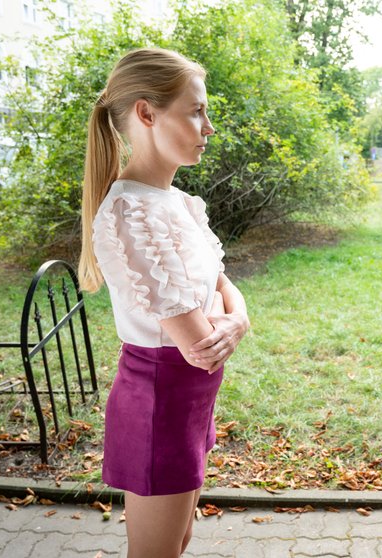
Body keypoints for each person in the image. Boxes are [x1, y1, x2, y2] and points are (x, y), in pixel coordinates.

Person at [78, 48, 249, 558]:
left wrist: (238, 319)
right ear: (146, 114)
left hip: (189, 401)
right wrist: (229, 322)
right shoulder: (131, 214)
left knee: (178, 540)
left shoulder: (175, 202)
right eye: (196, 111)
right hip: (161, 403)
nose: (208, 127)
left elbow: (223, 285)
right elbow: (199, 347)